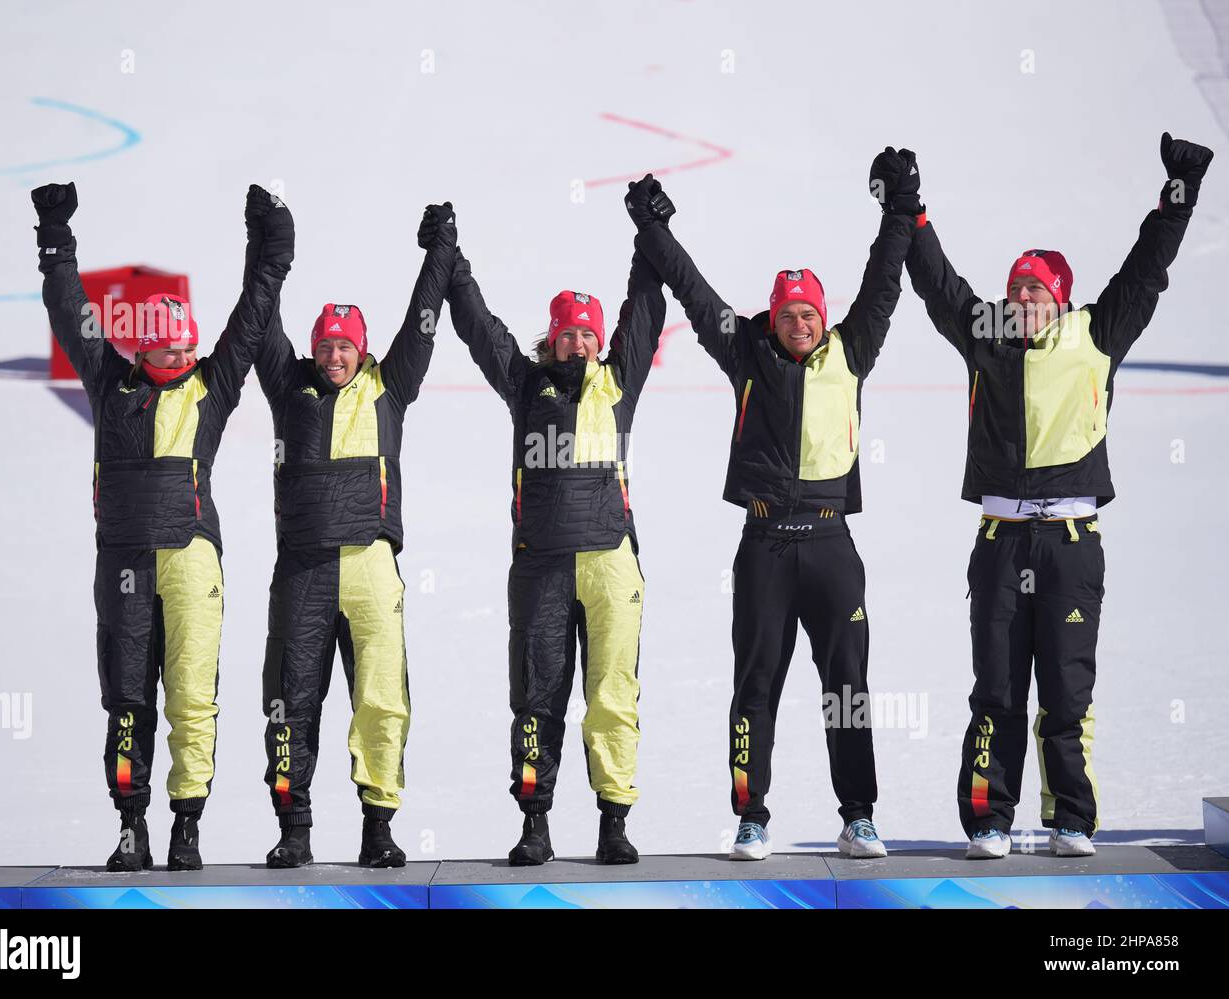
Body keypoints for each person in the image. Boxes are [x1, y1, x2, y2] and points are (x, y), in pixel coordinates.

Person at [904, 133, 1213, 859]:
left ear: (1060, 297)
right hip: (1002, 540)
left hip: (1073, 541)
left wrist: (1178, 195)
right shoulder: (987, 337)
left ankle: (1069, 816)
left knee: (1067, 692)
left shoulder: (1097, 334)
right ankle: (989, 819)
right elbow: (937, 283)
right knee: (999, 689)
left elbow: (1146, 272)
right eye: (1016, 287)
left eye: (1035, 289)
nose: (1022, 299)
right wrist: (911, 211)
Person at [629, 156, 920, 860]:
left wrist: (900, 208)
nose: (799, 322)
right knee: (755, 683)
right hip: (763, 544)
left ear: (823, 318)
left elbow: (883, 284)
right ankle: (751, 815)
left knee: (846, 685)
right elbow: (696, 295)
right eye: (788, 312)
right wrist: (654, 229)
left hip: (830, 543)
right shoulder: (746, 350)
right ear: (774, 315)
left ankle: (858, 815)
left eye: (809, 313)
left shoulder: (851, 351)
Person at [32, 182, 294, 871]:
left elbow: (252, 315)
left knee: (190, 696)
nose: (178, 361)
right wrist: (56, 238)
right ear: (143, 349)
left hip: (190, 559)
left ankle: (185, 826)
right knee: (125, 698)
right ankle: (129, 827)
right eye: (167, 352)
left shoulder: (213, 384)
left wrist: (273, 248)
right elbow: (70, 315)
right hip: (122, 561)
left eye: (185, 350)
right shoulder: (108, 380)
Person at [445, 188, 666, 865]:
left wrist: (649, 233)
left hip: (609, 562)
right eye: (567, 330)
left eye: (587, 332)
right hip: (540, 562)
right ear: (553, 336)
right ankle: (535, 821)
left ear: (600, 341)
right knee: (537, 692)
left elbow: (647, 307)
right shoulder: (524, 382)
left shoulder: (618, 380)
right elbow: (478, 326)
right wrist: (450, 258)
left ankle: (613, 821)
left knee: (612, 695)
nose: (577, 340)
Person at [255, 204, 457, 869]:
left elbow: (421, 326)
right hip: (304, 567)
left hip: (371, 563)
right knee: (292, 697)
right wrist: (264, 245)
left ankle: (378, 826)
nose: (334, 353)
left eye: (345, 344)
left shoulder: (389, 387)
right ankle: (295, 827)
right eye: (326, 344)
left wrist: (440, 253)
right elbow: (261, 325)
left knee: (381, 698)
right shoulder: (290, 389)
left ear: (361, 348)